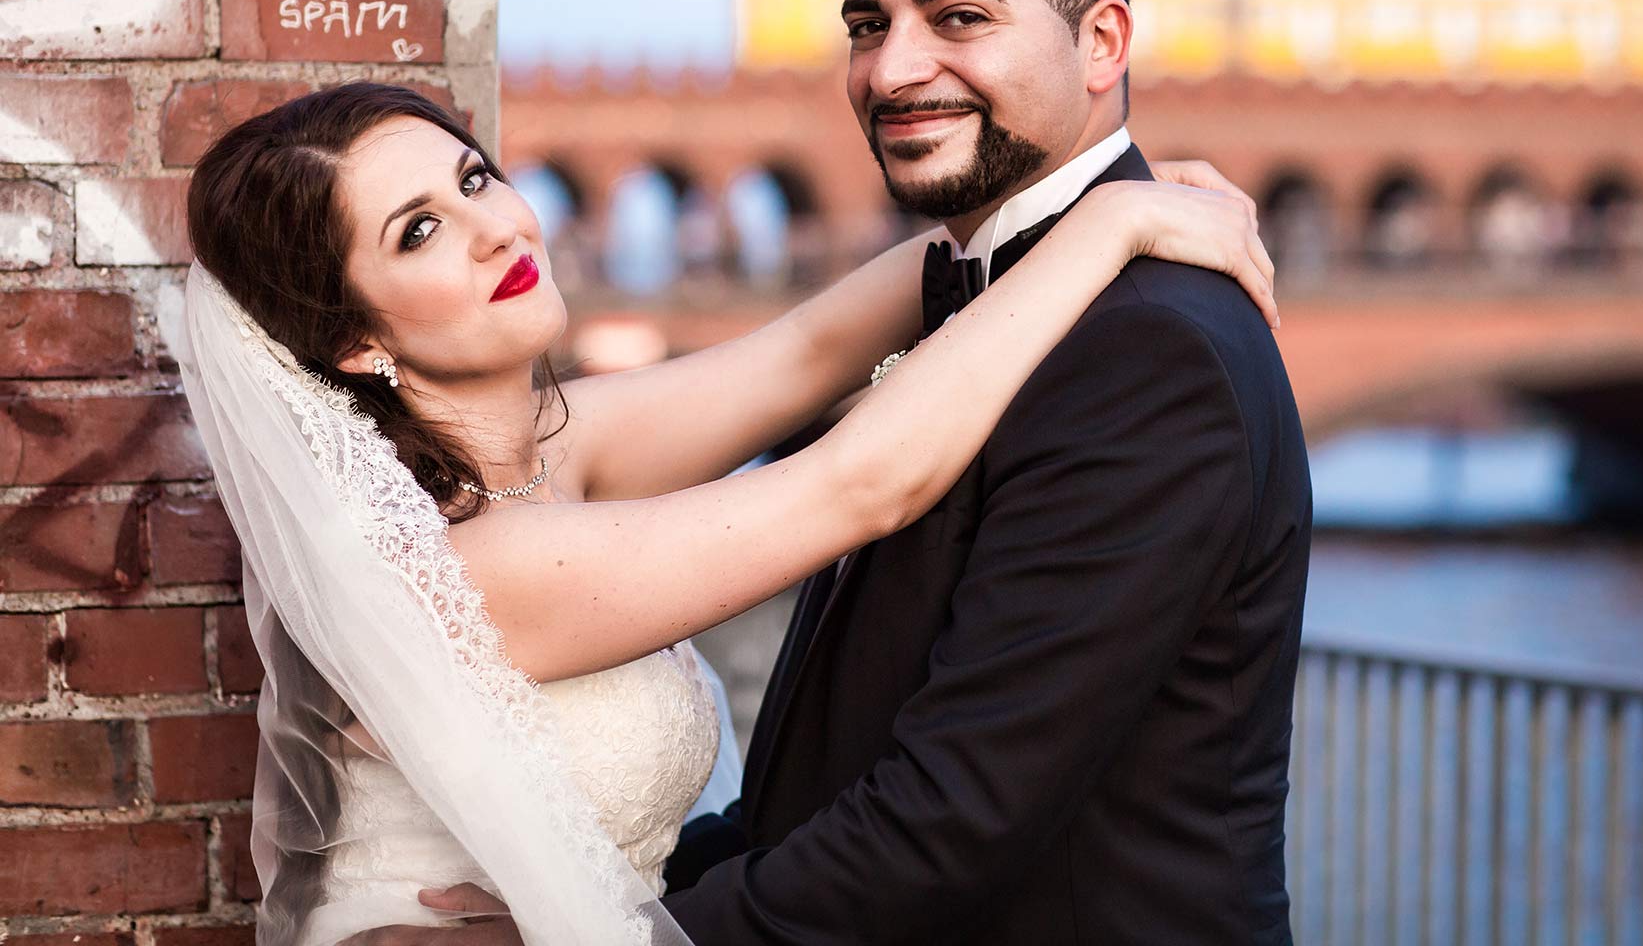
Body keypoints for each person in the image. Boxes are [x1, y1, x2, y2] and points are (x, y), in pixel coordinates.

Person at [179, 79, 1277, 945]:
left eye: (474, 180)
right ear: (354, 341)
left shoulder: (553, 449)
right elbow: (859, 483)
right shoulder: (465, 564)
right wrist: (1113, 227)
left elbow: (809, 350)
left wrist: (1074, 203)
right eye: (417, 231)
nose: (493, 229)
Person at [620, 0, 1313, 944]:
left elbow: (947, 820)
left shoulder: (1149, 355)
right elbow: (832, 784)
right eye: (867, 25)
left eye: (959, 17)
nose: (892, 69)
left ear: (1102, 42)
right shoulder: (984, 293)